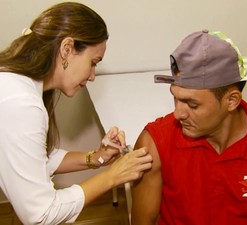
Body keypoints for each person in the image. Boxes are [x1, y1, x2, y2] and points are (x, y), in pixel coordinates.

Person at [0, 2, 152, 225]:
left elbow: (39, 159)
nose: (92, 76)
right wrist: (113, 176)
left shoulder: (19, 86)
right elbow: (41, 215)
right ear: (67, 49)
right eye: (93, 63)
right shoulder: (21, 103)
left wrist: (97, 157)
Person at [131, 30, 247, 225]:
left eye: (192, 105)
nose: (178, 114)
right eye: (175, 98)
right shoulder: (154, 143)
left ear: (232, 100)